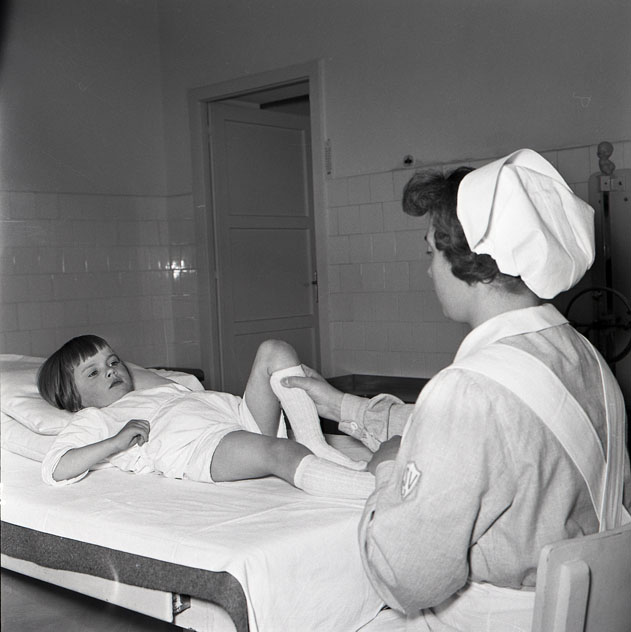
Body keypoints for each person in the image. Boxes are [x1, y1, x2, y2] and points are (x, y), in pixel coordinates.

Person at [283, 149, 631, 631]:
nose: (429, 270)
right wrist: (345, 407)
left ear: (473, 262)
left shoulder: (468, 389)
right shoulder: (582, 357)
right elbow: (498, 440)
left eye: (432, 252)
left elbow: (403, 577)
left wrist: (387, 470)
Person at [38, 335, 374, 499]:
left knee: (274, 349)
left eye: (113, 362)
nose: (110, 371)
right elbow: (55, 467)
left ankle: (315, 444)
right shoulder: (95, 418)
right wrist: (115, 442)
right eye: (93, 373)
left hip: (238, 417)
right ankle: (373, 490)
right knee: (281, 452)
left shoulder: (155, 389)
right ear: (74, 399)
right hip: (203, 448)